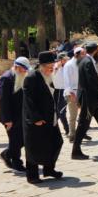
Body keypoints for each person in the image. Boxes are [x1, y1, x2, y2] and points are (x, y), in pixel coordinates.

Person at [22, 51, 63, 184]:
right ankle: (32, 175)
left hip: (51, 117)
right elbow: (29, 101)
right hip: (37, 120)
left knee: (56, 142)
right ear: (42, 65)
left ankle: (48, 169)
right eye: (50, 65)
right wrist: (36, 118)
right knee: (34, 148)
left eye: (53, 65)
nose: (52, 68)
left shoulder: (49, 76)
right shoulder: (32, 77)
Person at [72, 42, 98, 159]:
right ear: (96, 50)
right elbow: (92, 82)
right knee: (83, 124)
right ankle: (75, 150)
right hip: (89, 99)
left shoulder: (83, 60)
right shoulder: (88, 62)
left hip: (92, 99)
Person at [0, 57, 30, 171]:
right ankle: (17, 163)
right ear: (16, 67)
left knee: (21, 140)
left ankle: (6, 154)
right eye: (23, 69)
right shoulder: (6, 78)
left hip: (20, 114)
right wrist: (7, 119)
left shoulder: (21, 76)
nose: (25, 72)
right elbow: (3, 100)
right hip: (10, 116)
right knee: (15, 140)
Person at [63, 47, 82, 140]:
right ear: (76, 54)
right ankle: (72, 134)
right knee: (73, 115)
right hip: (72, 92)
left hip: (81, 91)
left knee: (82, 114)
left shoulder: (81, 63)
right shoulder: (69, 65)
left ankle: (80, 132)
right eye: (82, 54)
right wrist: (71, 93)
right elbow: (66, 81)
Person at [52, 52, 72, 135]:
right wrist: (56, 68)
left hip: (64, 90)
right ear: (60, 60)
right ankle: (64, 129)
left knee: (61, 111)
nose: (67, 60)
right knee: (57, 111)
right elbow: (51, 75)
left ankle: (67, 129)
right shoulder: (55, 66)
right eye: (64, 59)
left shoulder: (67, 67)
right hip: (57, 91)